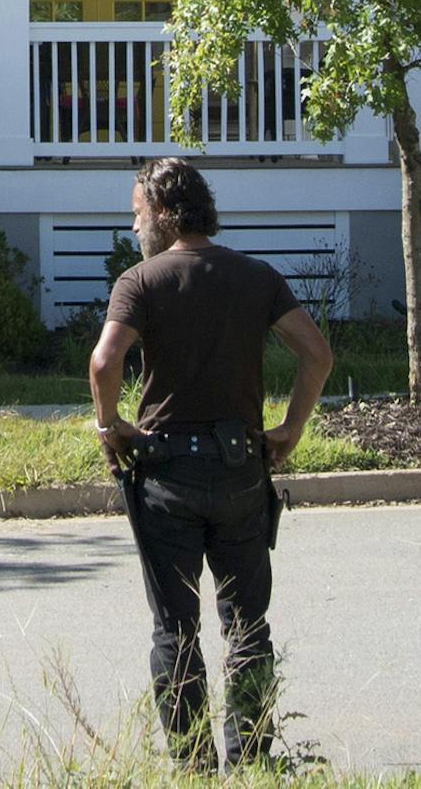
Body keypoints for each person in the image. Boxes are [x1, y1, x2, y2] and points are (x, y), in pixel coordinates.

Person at [88, 156, 335, 769]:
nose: (134, 225)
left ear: (165, 213)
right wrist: (292, 427)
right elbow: (317, 353)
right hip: (240, 468)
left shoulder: (141, 281)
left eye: (138, 213)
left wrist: (110, 424)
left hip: (165, 473)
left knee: (176, 627)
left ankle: (195, 764)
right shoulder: (255, 276)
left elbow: (103, 362)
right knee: (248, 625)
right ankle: (250, 757)